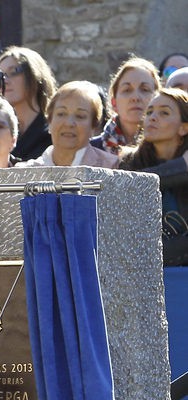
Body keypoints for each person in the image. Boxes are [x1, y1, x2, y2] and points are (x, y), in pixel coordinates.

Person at [119, 88, 188, 266]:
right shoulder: (129, 162)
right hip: (141, 275)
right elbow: (130, 185)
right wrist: (182, 167)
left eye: (164, 112)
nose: (152, 117)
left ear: (184, 128)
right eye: (149, 112)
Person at [17, 81, 118, 169]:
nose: (69, 123)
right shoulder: (23, 172)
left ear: (93, 126)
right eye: (61, 114)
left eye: (80, 116)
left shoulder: (112, 167)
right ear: (49, 121)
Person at [0, 46, 57, 161]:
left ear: (34, 75)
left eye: (13, 72)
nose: (5, 81)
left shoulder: (54, 130)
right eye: (0, 76)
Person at [91, 56, 160, 155]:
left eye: (145, 89)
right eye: (127, 90)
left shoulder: (169, 148)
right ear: (114, 102)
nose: (135, 97)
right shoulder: (91, 150)